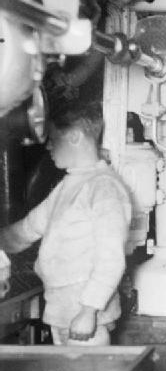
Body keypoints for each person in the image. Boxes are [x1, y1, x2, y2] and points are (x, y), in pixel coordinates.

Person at [0, 105, 132, 346]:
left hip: (86, 317)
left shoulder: (103, 187)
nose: (48, 147)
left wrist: (89, 311)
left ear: (74, 136)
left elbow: (111, 259)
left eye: (52, 139)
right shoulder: (70, 184)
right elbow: (25, 231)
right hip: (61, 311)